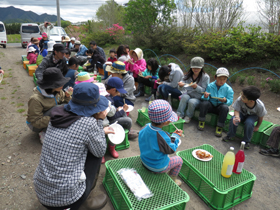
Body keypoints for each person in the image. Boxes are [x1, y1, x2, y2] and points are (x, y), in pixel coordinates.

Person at [33, 82, 112, 210]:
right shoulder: (89, 123)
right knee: (96, 153)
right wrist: (100, 121)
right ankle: (84, 199)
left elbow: (74, 135)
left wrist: (99, 131)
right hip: (67, 200)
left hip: (42, 191)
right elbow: (100, 150)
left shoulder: (57, 114)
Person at [138, 99, 183, 186]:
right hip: (158, 167)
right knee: (179, 160)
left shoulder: (144, 127)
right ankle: (172, 179)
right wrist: (176, 136)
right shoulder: (163, 136)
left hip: (145, 161)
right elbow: (171, 149)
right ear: (166, 122)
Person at [26, 67, 72, 144]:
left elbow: (66, 103)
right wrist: (57, 117)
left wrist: (67, 97)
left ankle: (52, 128)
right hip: (36, 125)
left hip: (49, 117)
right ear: (51, 85)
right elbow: (35, 122)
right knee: (60, 109)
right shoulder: (35, 99)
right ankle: (43, 132)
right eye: (59, 83)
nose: (63, 85)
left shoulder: (57, 91)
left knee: (64, 108)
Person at [102, 77, 138, 163]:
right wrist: (123, 110)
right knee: (126, 121)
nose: (118, 93)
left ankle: (111, 147)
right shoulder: (107, 99)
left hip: (107, 118)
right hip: (104, 122)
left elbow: (111, 113)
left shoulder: (108, 96)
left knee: (124, 116)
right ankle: (103, 152)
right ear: (113, 90)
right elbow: (112, 117)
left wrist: (117, 110)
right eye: (118, 91)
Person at [198, 67, 234, 137]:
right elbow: (204, 98)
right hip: (211, 105)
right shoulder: (210, 86)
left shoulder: (228, 89)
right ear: (215, 77)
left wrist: (225, 100)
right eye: (220, 79)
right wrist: (205, 96)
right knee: (204, 103)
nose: (222, 81)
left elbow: (230, 101)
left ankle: (219, 127)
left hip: (220, 107)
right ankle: (201, 121)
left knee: (225, 108)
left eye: (224, 79)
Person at [177, 57, 210, 123]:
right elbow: (181, 87)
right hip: (189, 94)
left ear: (201, 67)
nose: (195, 69)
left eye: (198, 68)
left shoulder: (206, 77)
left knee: (191, 102)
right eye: (194, 67)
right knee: (184, 97)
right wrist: (180, 85)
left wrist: (196, 87)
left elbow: (204, 91)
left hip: (199, 98)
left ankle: (188, 116)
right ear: (191, 67)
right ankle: (179, 114)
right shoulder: (187, 75)